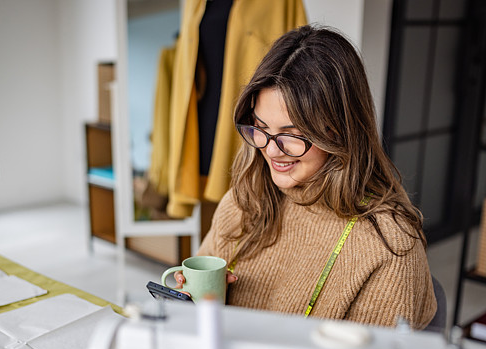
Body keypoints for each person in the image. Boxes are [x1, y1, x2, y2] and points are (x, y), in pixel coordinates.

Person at [179, 24, 437, 329]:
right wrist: (196, 301)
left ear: (340, 131)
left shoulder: (387, 247)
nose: (272, 151)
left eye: (292, 135)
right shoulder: (245, 199)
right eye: (260, 128)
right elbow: (196, 314)